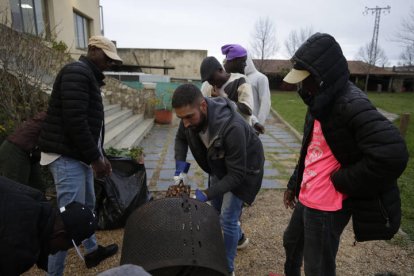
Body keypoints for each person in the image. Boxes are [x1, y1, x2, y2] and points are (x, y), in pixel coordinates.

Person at [282, 33, 408, 276]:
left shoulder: (351, 104)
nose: (301, 87)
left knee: (318, 267)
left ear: (322, 76)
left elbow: (393, 154)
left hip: (327, 204)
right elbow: (310, 148)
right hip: (308, 194)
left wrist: (342, 181)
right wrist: (294, 183)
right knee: (291, 242)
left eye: (305, 80)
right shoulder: (317, 100)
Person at [39, 36, 121, 275]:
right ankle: (55, 273)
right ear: (93, 49)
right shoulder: (77, 72)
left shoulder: (87, 75)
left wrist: (100, 155)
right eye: (106, 57)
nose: (109, 63)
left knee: (87, 207)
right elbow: (75, 121)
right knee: (67, 222)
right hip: (67, 157)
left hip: (78, 156)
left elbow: (91, 125)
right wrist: (96, 159)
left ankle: (92, 251)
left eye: (111, 60)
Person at [173, 84, 265, 275]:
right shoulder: (190, 119)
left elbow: (237, 175)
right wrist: (180, 168)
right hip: (219, 162)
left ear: (203, 106)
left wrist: (204, 194)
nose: (186, 123)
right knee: (215, 211)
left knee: (228, 218)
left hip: (245, 170)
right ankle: (239, 239)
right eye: (181, 118)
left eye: (189, 116)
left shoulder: (232, 127)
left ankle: (227, 269)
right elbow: (181, 138)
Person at [0, 176, 97, 275]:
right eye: (63, 248)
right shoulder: (23, 249)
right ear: (60, 234)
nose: (54, 252)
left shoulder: (36, 198)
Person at [221, 44, 268, 134]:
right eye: (243, 61)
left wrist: (257, 122)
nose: (245, 64)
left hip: (245, 127)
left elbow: (264, 103)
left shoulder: (259, 78)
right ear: (234, 60)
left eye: (245, 61)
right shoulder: (221, 79)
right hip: (226, 130)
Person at [200, 56, 254, 125]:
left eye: (211, 78)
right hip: (223, 132)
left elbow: (248, 110)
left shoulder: (240, 80)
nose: (210, 83)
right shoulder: (210, 87)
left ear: (220, 70)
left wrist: (222, 98)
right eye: (208, 81)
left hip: (242, 130)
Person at [0, 111, 47, 191]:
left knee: (38, 189)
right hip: (15, 150)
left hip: (29, 153)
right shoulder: (54, 116)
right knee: (17, 190)